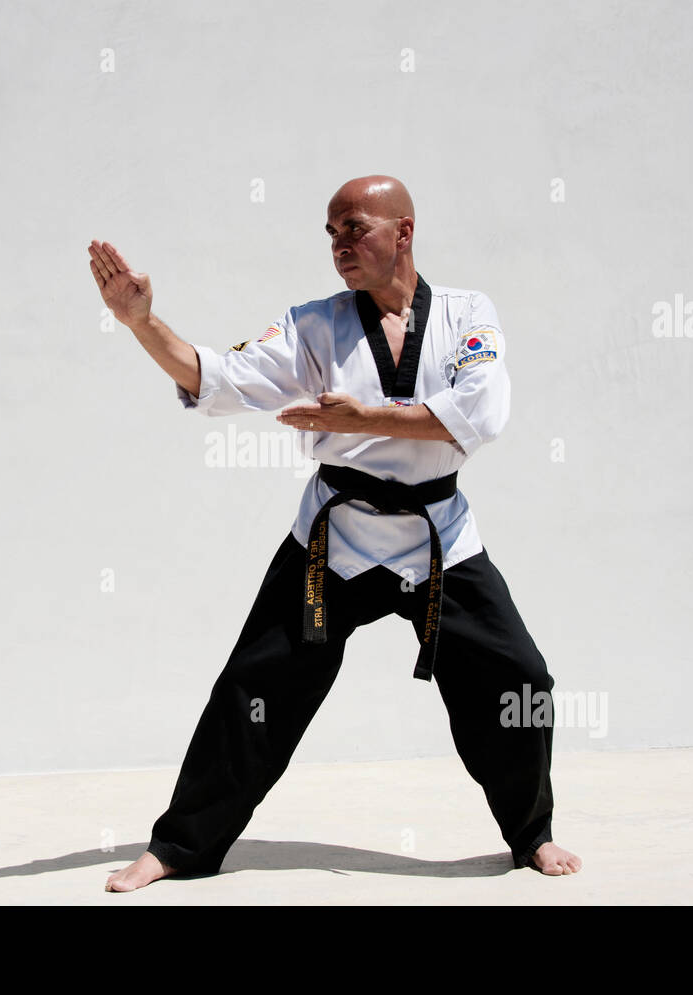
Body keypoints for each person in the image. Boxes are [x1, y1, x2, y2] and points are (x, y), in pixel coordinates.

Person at [87, 175, 582, 892]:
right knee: (251, 687)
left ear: (403, 232)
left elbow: (479, 412)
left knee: (520, 679)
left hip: (437, 535)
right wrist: (141, 323)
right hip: (334, 538)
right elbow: (217, 378)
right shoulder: (314, 325)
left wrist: (360, 421)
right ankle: (180, 846)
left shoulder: (469, 316)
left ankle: (532, 831)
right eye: (331, 234)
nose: (339, 245)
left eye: (354, 228)